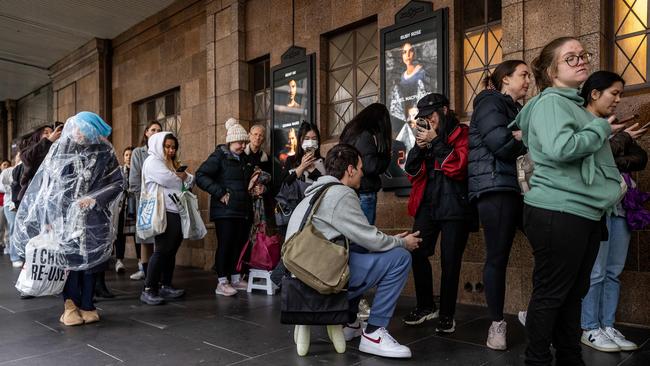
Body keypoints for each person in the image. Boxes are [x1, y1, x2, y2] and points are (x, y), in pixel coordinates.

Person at [511, 37, 625, 366]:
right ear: (551, 70)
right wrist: (601, 129)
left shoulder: (572, 104)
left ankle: (570, 357)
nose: (580, 61)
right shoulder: (550, 103)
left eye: (582, 55)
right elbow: (562, 148)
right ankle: (537, 360)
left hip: (581, 212)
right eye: (570, 58)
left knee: (572, 295)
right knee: (551, 295)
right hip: (558, 212)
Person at [286, 143, 421, 358]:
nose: (362, 173)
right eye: (359, 168)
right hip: (318, 281)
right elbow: (371, 239)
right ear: (349, 170)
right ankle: (374, 334)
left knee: (357, 249)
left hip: (301, 279)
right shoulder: (341, 194)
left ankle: (349, 322)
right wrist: (402, 243)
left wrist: (390, 240)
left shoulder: (315, 192)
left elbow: (361, 239)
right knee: (400, 258)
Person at [12, 111, 124, 326]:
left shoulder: (104, 152)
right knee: (69, 262)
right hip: (64, 219)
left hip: (94, 218)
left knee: (92, 262)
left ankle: (88, 305)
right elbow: (49, 188)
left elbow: (118, 182)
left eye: (85, 131)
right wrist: (48, 217)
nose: (80, 134)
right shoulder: (62, 149)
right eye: (79, 130)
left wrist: (94, 199)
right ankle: (70, 306)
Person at [579, 71, 648, 353]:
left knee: (613, 271)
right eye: (614, 93)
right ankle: (589, 327)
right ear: (594, 93)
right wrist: (617, 141)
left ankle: (607, 324)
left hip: (622, 202)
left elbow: (641, 158)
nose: (619, 100)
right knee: (595, 271)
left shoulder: (614, 125)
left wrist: (616, 145)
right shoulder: (580, 121)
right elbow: (587, 156)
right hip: (595, 204)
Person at [468, 60, 530, 350]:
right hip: (496, 187)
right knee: (497, 257)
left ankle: (536, 311)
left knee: (550, 246)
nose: (528, 80)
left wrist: (522, 135)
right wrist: (527, 138)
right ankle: (496, 324)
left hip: (520, 189)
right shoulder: (489, 102)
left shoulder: (516, 109)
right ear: (505, 79)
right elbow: (501, 143)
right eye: (523, 74)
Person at [403, 93, 474, 334]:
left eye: (431, 116)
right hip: (428, 204)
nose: (428, 122)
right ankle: (425, 306)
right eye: (423, 118)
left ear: (444, 111)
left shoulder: (462, 133)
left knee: (450, 261)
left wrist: (435, 141)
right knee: (416, 250)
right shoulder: (425, 138)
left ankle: (447, 314)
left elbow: (459, 167)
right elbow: (412, 172)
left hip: (455, 206)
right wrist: (419, 147)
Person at [196, 118, 255, 297]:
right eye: (239, 142)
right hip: (225, 210)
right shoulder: (219, 156)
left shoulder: (244, 159)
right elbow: (201, 175)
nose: (242, 145)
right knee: (226, 245)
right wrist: (220, 192)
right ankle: (222, 282)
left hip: (241, 210)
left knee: (238, 245)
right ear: (230, 141)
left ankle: (236, 278)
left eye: (244, 142)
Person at [139, 132, 194, 305]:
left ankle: (166, 285)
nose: (171, 150)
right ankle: (148, 289)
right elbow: (170, 179)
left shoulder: (171, 162)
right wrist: (182, 178)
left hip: (176, 210)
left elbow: (191, 180)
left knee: (171, 250)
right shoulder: (153, 161)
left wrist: (184, 177)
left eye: (173, 147)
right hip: (162, 211)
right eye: (167, 146)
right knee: (162, 250)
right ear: (158, 145)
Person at [339, 103, 392, 225]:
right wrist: (386, 157)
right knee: (365, 236)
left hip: (351, 190)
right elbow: (370, 166)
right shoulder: (365, 135)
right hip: (364, 192)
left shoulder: (351, 132)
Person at [277, 122, 326, 235]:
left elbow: (326, 184)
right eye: (307, 138)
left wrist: (313, 171)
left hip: (318, 213)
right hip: (295, 212)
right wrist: (301, 167)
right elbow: (284, 184)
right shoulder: (291, 160)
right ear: (301, 140)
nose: (311, 141)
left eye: (314, 138)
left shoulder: (324, 162)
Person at [129, 121, 162, 280]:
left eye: (159, 130)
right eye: (153, 129)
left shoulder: (164, 151)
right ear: (146, 133)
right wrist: (141, 201)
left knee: (158, 235)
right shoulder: (138, 152)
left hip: (161, 200)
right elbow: (134, 179)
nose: (156, 132)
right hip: (144, 200)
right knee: (145, 236)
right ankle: (144, 268)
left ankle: (156, 271)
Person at [114, 146, 134, 273]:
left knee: (138, 234)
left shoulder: (139, 170)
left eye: (131, 154)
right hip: (122, 206)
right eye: (126, 155)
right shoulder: (119, 171)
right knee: (120, 234)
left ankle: (140, 261)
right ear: (123, 157)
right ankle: (119, 260)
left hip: (135, 204)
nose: (129, 157)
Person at [1, 154, 21, 266]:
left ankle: (21, 254)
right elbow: (2, 187)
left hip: (22, 203)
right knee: (13, 227)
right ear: (15, 159)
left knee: (21, 228)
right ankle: (15, 257)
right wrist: (14, 186)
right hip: (10, 204)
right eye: (18, 155)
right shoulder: (7, 171)